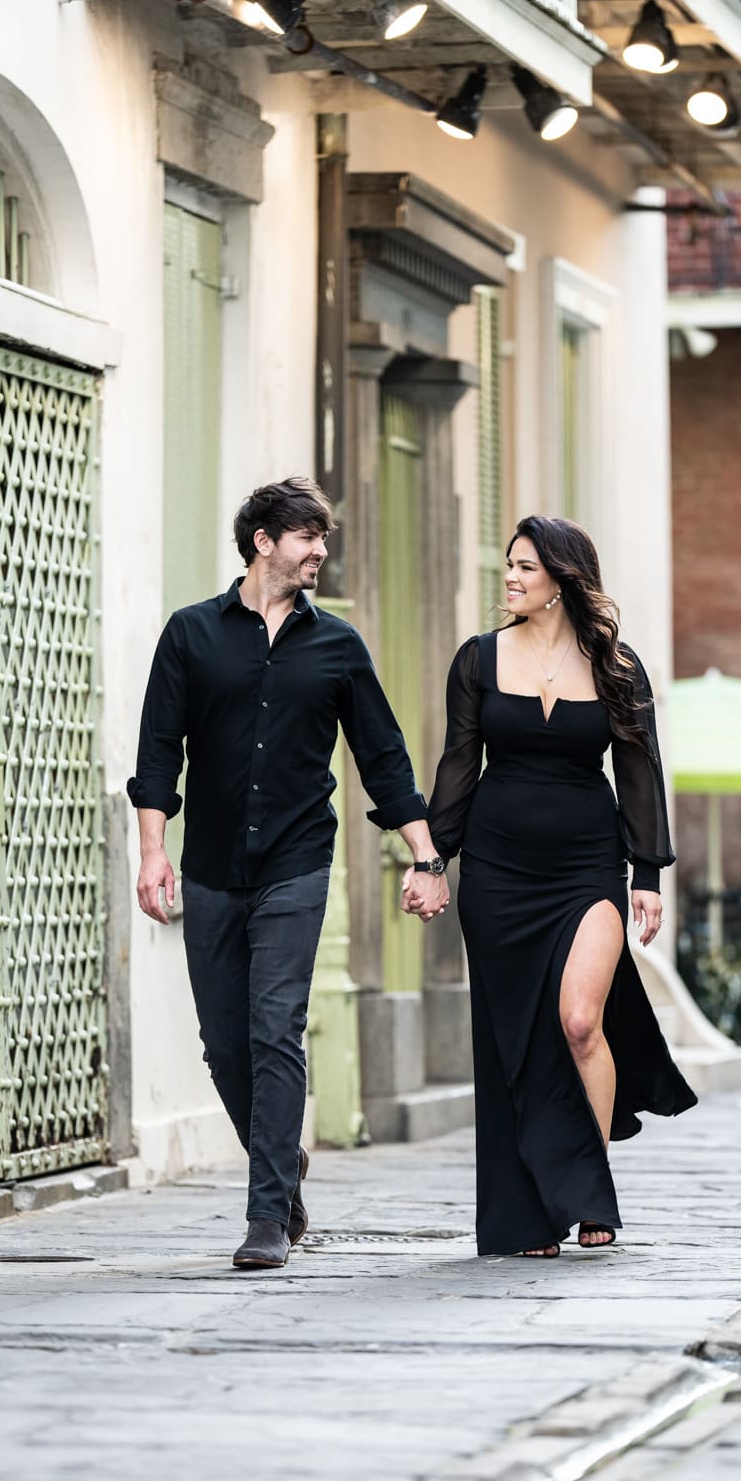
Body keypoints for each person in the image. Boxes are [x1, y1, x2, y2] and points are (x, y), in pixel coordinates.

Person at [128, 477, 448, 1271]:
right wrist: (151, 851)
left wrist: (425, 852)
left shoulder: (337, 645)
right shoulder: (191, 635)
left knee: (275, 1029)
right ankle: (284, 1161)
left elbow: (383, 754)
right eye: (308, 537)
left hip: (298, 862)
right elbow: (158, 750)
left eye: (324, 539)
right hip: (206, 866)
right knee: (222, 1043)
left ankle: (267, 1214)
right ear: (263, 541)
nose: (320, 552)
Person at [402, 516, 696, 1257]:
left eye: (525, 568)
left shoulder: (617, 667)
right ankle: (530, 1211)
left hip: (586, 867)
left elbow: (639, 771)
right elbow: (458, 768)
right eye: (509, 565)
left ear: (562, 580)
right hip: (498, 872)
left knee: (577, 1022)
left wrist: (649, 875)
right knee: (515, 1041)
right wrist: (433, 861)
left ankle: (586, 1188)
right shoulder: (477, 660)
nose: (510, 577)